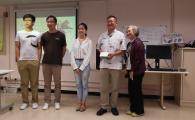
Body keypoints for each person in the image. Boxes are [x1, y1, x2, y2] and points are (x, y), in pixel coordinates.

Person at [96, 15, 126, 116]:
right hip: (104, 65)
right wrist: (101, 52)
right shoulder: (102, 35)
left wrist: (113, 54)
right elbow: (98, 47)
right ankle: (104, 107)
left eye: (112, 21)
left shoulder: (121, 35)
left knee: (115, 88)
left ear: (116, 23)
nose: (110, 23)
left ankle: (113, 106)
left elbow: (123, 50)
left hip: (115, 65)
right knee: (103, 87)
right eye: (108, 21)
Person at [15, 14, 41, 110]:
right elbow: (17, 46)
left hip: (34, 61)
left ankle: (35, 101)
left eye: (29, 20)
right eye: (25, 20)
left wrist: (38, 60)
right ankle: (25, 102)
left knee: (34, 83)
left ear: (33, 22)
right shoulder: (19, 33)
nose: (26, 22)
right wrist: (18, 59)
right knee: (24, 83)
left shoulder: (38, 33)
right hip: (22, 61)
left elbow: (39, 48)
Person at [40, 15, 66, 110]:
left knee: (57, 84)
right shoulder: (44, 35)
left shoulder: (61, 35)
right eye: (48, 22)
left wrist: (59, 57)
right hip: (46, 63)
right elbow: (43, 48)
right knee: (47, 84)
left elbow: (64, 48)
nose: (49, 23)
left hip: (57, 64)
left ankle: (57, 101)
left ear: (55, 23)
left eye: (51, 22)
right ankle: (47, 101)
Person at [70, 23, 92, 112]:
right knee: (78, 85)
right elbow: (71, 54)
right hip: (76, 63)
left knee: (84, 85)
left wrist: (81, 67)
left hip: (85, 64)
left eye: (82, 28)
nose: (80, 30)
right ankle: (79, 103)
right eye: (79, 29)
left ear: (85, 30)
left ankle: (83, 104)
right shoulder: (75, 40)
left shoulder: (89, 41)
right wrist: (75, 66)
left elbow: (88, 55)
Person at [126, 25, 146, 117]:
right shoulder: (130, 43)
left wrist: (132, 70)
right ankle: (133, 108)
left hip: (136, 72)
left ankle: (139, 111)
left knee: (137, 91)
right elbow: (129, 57)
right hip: (131, 71)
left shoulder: (138, 43)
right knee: (131, 91)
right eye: (127, 31)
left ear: (135, 32)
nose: (128, 32)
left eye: (129, 31)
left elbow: (137, 60)